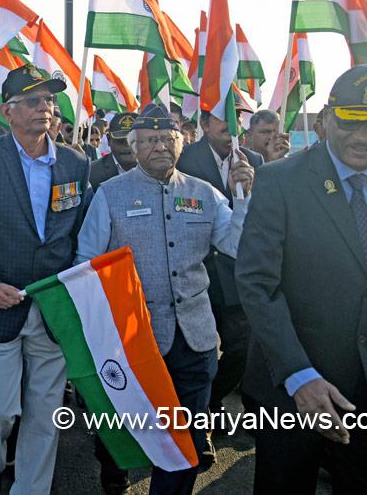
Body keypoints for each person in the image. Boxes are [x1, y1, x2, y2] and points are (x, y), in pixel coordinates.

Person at [235, 64, 367, 494]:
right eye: (351, 121)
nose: (365, 136)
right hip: (293, 389)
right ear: (325, 118)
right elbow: (257, 284)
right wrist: (299, 375)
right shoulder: (280, 180)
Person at [78, 103, 254, 495]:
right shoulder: (109, 195)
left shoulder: (204, 193)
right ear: (134, 147)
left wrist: (244, 199)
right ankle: (113, 473)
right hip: (134, 340)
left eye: (168, 138)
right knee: (129, 426)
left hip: (194, 337)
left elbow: (238, 245)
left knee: (185, 440)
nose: (160, 146)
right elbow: (86, 262)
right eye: (151, 140)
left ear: (182, 141)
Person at [0, 63, 91, 495]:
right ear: (8, 111)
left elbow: (78, 234)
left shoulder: (75, 163)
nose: (44, 108)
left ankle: (30, 488)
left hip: (53, 310)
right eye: (32, 101)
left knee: (45, 415)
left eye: (49, 100)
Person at [175, 105, 265, 465]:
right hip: (198, 272)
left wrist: (249, 190)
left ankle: (210, 400)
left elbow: (263, 213)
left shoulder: (253, 158)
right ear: (205, 124)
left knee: (242, 349)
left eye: (236, 119)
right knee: (200, 355)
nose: (232, 126)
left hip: (239, 274)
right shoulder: (186, 158)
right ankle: (199, 427)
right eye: (222, 120)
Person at [88, 112, 138, 192]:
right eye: (121, 141)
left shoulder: (157, 172)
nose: (128, 146)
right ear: (109, 140)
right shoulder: (91, 173)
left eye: (133, 141)